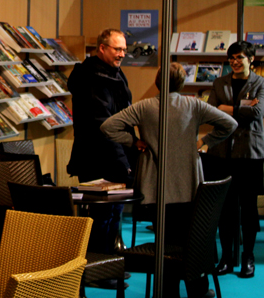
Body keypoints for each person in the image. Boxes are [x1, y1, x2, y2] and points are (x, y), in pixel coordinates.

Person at [100, 62, 237, 298]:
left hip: (156, 187)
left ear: (157, 81)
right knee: (191, 239)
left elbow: (108, 126)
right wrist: (204, 142)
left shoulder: (144, 106)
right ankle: (197, 289)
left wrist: (134, 142)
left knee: (165, 241)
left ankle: (168, 290)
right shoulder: (193, 104)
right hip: (189, 183)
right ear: (182, 83)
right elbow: (230, 124)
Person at [67, 28, 136, 255]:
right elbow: (103, 125)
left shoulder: (115, 73)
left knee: (114, 214)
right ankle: (98, 266)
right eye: (117, 49)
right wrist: (123, 159)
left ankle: (109, 263)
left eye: (124, 49)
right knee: (102, 217)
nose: (122, 54)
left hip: (115, 156)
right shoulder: (91, 78)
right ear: (102, 48)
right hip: (97, 159)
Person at [205, 41, 264, 279]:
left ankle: (248, 257)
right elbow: (211, 111)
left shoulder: (261, 83)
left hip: (250, 154)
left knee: (248, 208)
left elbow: (257, 113)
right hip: (222, 154)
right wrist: (241, 108)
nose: (235, 62)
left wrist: (227, 107)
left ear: (251, 59)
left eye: (240, 58)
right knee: (225, 209)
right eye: (231, 58)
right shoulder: (219, 82)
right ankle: (226, 258)